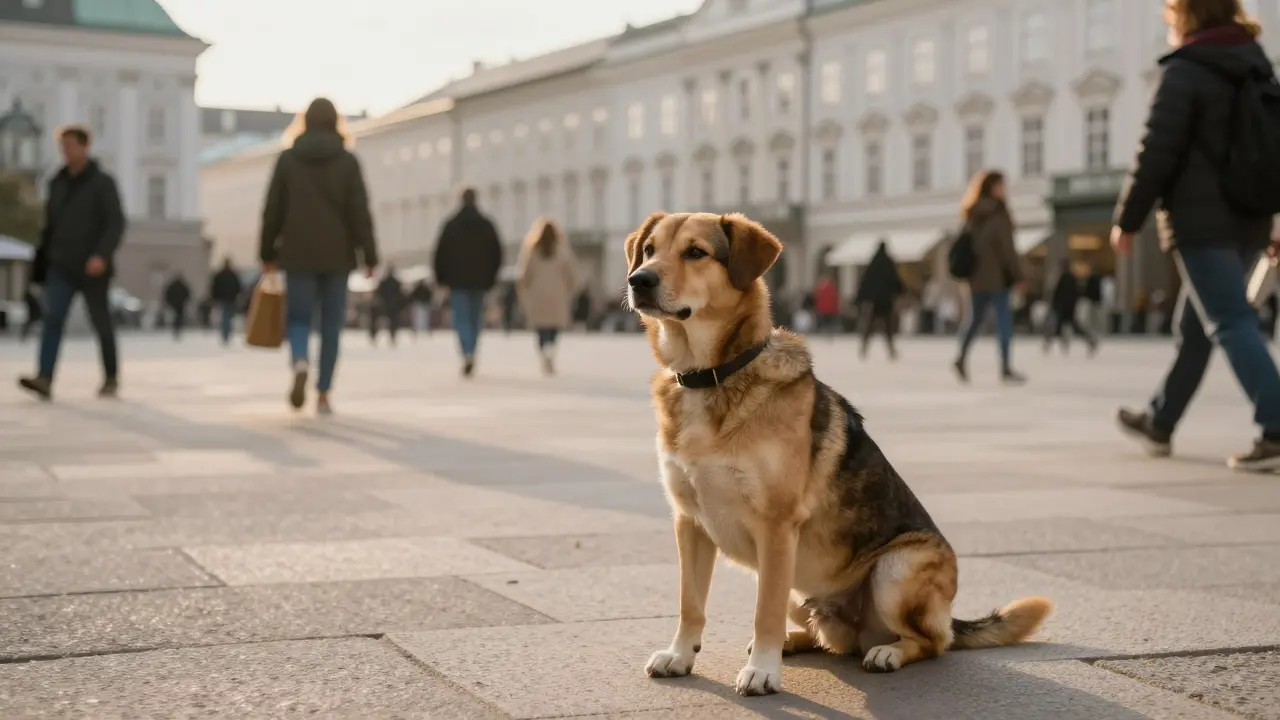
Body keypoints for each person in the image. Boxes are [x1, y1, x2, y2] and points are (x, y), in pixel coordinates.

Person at [1112, 0, 1280, 471]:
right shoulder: (1256, 68)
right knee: (1196, 326)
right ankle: (1161, 422)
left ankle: (1277, 425)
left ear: (1186, 17)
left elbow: (1156, 150)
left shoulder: (1186, 71)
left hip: (1202, 222)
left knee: (1227, 318)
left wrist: (1128, 218)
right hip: (1250, 219)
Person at [260, 97, 378, 415]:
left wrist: (267, 252)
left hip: (297, 253)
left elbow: (272, 211)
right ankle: (323, 393)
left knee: (298, 318)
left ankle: (300, 359)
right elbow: (360, 213)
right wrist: (370, 256)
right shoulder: (347, 161)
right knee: (331, 325)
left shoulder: (287, 160)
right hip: (337, 255)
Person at [18, 126, 124, 401]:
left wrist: (101, 254)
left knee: (101, 323)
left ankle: (110, 377)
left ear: (85, 147)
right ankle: (44, 377)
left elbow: (115, 223)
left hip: (93, 267)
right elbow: (50, 226)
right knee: (53, 320)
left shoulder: (103, 183)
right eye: (62, 146)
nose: (65, 151)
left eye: (70, 146)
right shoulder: (57, 182)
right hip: (61, 265)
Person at [953, 170, 1027, 386]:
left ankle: (961, 357)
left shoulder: (972, 213)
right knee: (1004, 321)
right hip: (998, 278)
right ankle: (1005, 368)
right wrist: (1019, 276)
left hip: (975, 279)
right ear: (992, 188)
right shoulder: (998, 213)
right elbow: (1007, 250)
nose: (1004, 190)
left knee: (974, 321)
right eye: (1001, 186)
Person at [433, 187, 502, 377]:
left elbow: (440, 253)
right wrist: (492, 277)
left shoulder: (451, 224)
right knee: (475, 317)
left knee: (462, 318)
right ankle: (472, 349)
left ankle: (466, 352)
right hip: (480, 280)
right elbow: (497, 253)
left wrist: (441, 278)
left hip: (457, 280)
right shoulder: (486, 224)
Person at [516, 218, 580, 376]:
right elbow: (572, 276)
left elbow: (523, 275)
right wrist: (570, 292)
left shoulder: (532, 252)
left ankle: (544, 351)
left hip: (537, 296)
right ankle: (550, 350)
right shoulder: (562, 252)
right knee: (553, 327)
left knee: (541, 328)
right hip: (557, 297)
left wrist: (523, 292)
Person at [854, 242, 903, 360]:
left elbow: (865, 282)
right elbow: (895, 280)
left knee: (869, 327)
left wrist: (860, 299)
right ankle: (891, 351)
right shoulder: (888, 263)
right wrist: (899, 291)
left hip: (874, 302)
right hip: (886, 301)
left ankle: (864, 349)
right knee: (888, 328)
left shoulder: (873, 264)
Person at [1044, 259, 1098, 355]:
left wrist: (1054, 305)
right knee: (1068, 327)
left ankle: (1051, 344)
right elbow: (1077, 293)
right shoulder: (1071, 278)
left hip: (1062, 308)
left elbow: (1056, 294)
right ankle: (1088, 341)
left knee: (1056, 326)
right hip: (1068, 308)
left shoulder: (1062, 278)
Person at [209, 258, 243, 346]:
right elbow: (238, 286)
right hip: (231, 298)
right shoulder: (233, 275)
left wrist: (215, 297)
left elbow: (214, 286)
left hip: (223, 298)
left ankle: (225, 333)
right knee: (229, 316)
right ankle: (227, 333)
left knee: (224, 316)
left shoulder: (220, 274)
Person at [371, 265, 404, 346]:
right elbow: (400, 294)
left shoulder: (384, 282)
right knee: (393, 322)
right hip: (392, 305)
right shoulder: (396, 282)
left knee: (379, 321)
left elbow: (378, 293)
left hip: (384, 304)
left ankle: (374, 335)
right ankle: (392, 336)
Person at [163, 273, 191, 341]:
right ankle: (179, 328)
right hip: (181, 304)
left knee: (175, 317)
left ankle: (176, 328)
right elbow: (187, 293)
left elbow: (167, 294)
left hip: (174, 304)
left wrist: (168, 302)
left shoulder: (172, 286)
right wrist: (186, 300)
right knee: (180, 316)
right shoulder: (183, 285)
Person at [813, 273, 841, 338]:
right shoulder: (832, 288)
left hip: (823, 309)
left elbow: (817, 299)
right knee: (830, 322)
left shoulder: (820, 288)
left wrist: (818, 308)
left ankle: (825, 332)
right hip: (830, 309)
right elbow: (835, 298)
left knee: (824, 322)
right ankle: (829, 332)